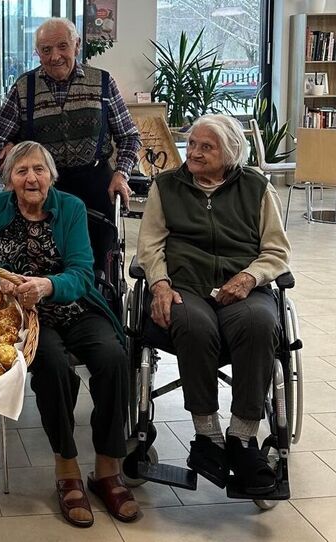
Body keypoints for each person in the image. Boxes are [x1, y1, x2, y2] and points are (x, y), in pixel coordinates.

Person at [0, 141, 139, 527]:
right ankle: (67, 467)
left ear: (51, 176)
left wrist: (46, 284)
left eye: (38, 170)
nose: (31, 178)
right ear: (9, 178)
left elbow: (81, 271)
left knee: (113, 356)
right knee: (51, 363)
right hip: (23, 316)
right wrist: (5, 283)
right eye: (21, 170)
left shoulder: (71, 208)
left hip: (74, 303)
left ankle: (108, 467)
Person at [137, 114, 291, 495]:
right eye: (193, 144)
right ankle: (208, 437)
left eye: (208, 146)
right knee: (190, 323)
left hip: (243, 286)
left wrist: (250, 277)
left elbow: (277, 250)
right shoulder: (167, 186)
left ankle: (241, 439)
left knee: (258, 325)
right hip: (185, 285)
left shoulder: (256, 187)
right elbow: (150, 245)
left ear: (231, 153)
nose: (196, 152)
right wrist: (159, 283)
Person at [0, 17, 140, 220]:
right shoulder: (24, 87)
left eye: (63, 46)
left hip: (96, 186)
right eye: (46, 50)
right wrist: (13, 173)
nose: (55, 56)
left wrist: (121, 174)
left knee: (96, 249)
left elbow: (129, 137)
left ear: (77, 45)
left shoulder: (103, 82)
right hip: (43, 191)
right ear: (37, 53)